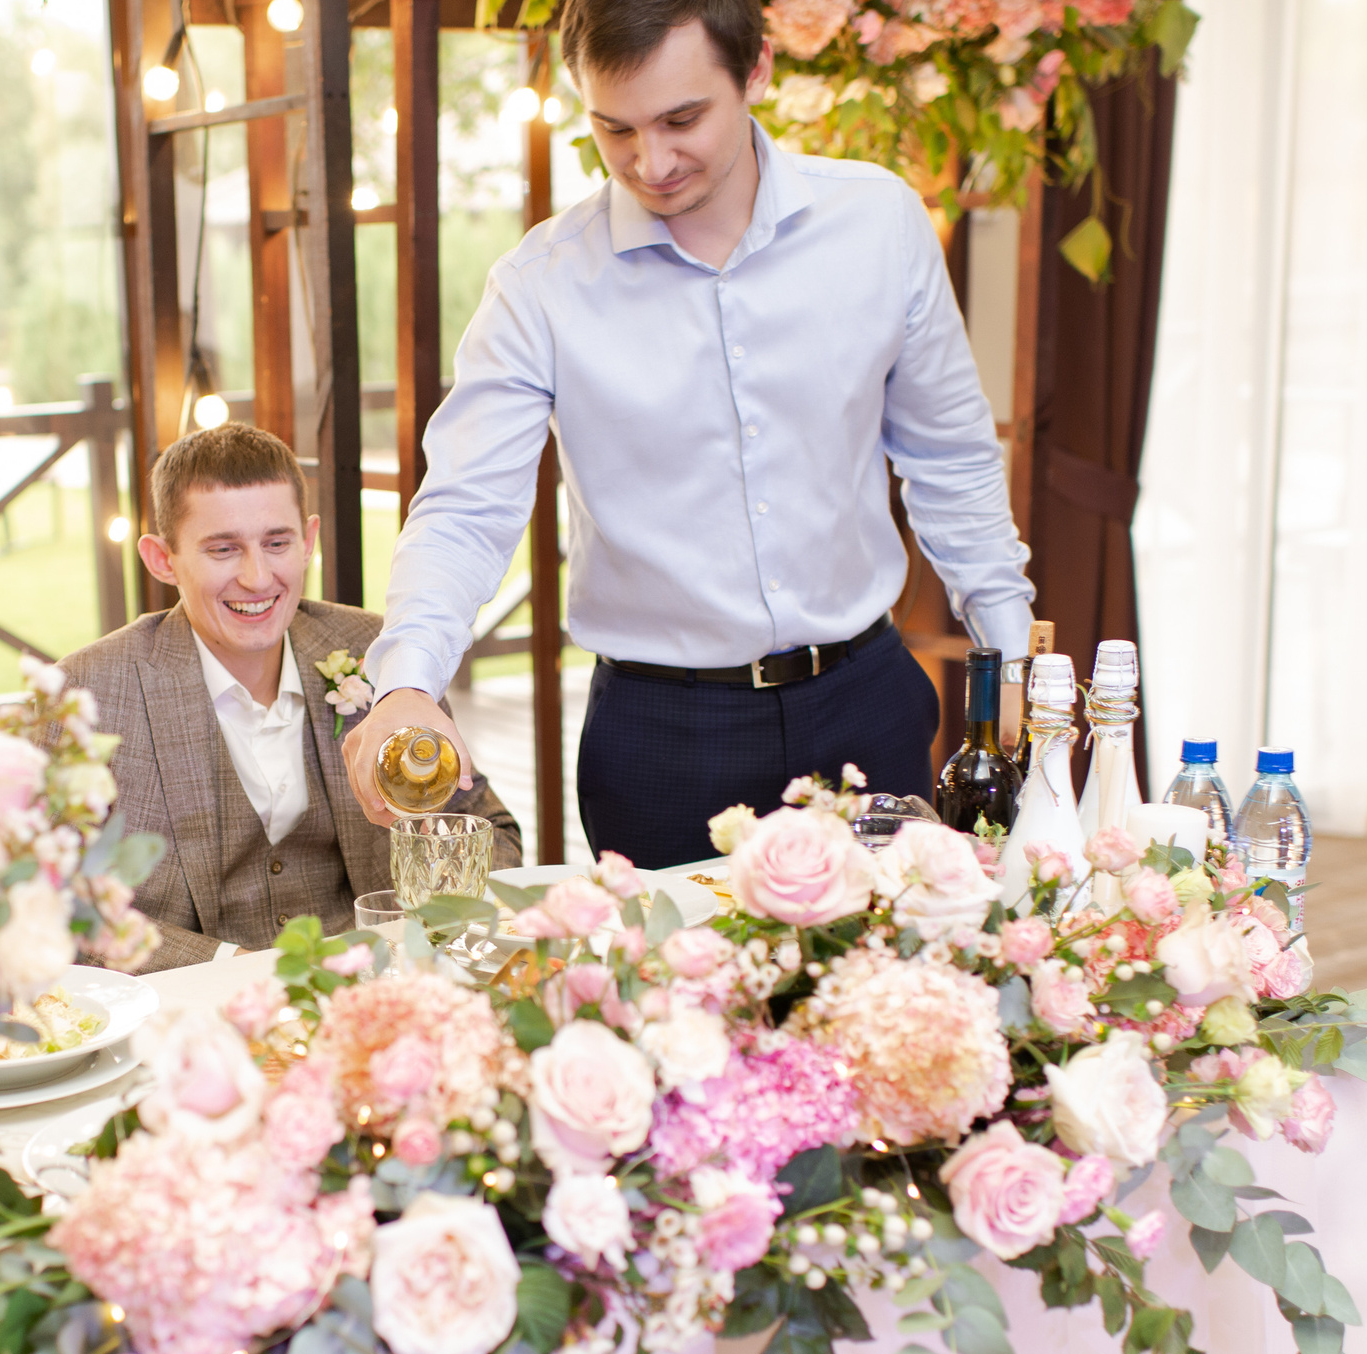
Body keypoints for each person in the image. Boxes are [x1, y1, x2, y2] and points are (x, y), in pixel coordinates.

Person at [345, 0, 1033, 868]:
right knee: (672, 1003)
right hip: (660, 737)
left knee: (888, 994)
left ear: (757, 72)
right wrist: (407, 680)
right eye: (615, 129)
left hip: (867, 700)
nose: (651, 161)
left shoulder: (879, 224)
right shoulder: (540, 286)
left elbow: (951, 459)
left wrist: (1009, 651)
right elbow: (464, 510)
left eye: (682, 119)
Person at [61, 424, 520, 969]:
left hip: (376, 989)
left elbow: (489, 833)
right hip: (190, 1015)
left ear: (308, 539)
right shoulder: (88, 695)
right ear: (162, 559)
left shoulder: (380, 657)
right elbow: (58, 904)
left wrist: (416, 930)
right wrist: (236, 969)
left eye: (276, 543)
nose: (257, 578)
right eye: (223, 549)